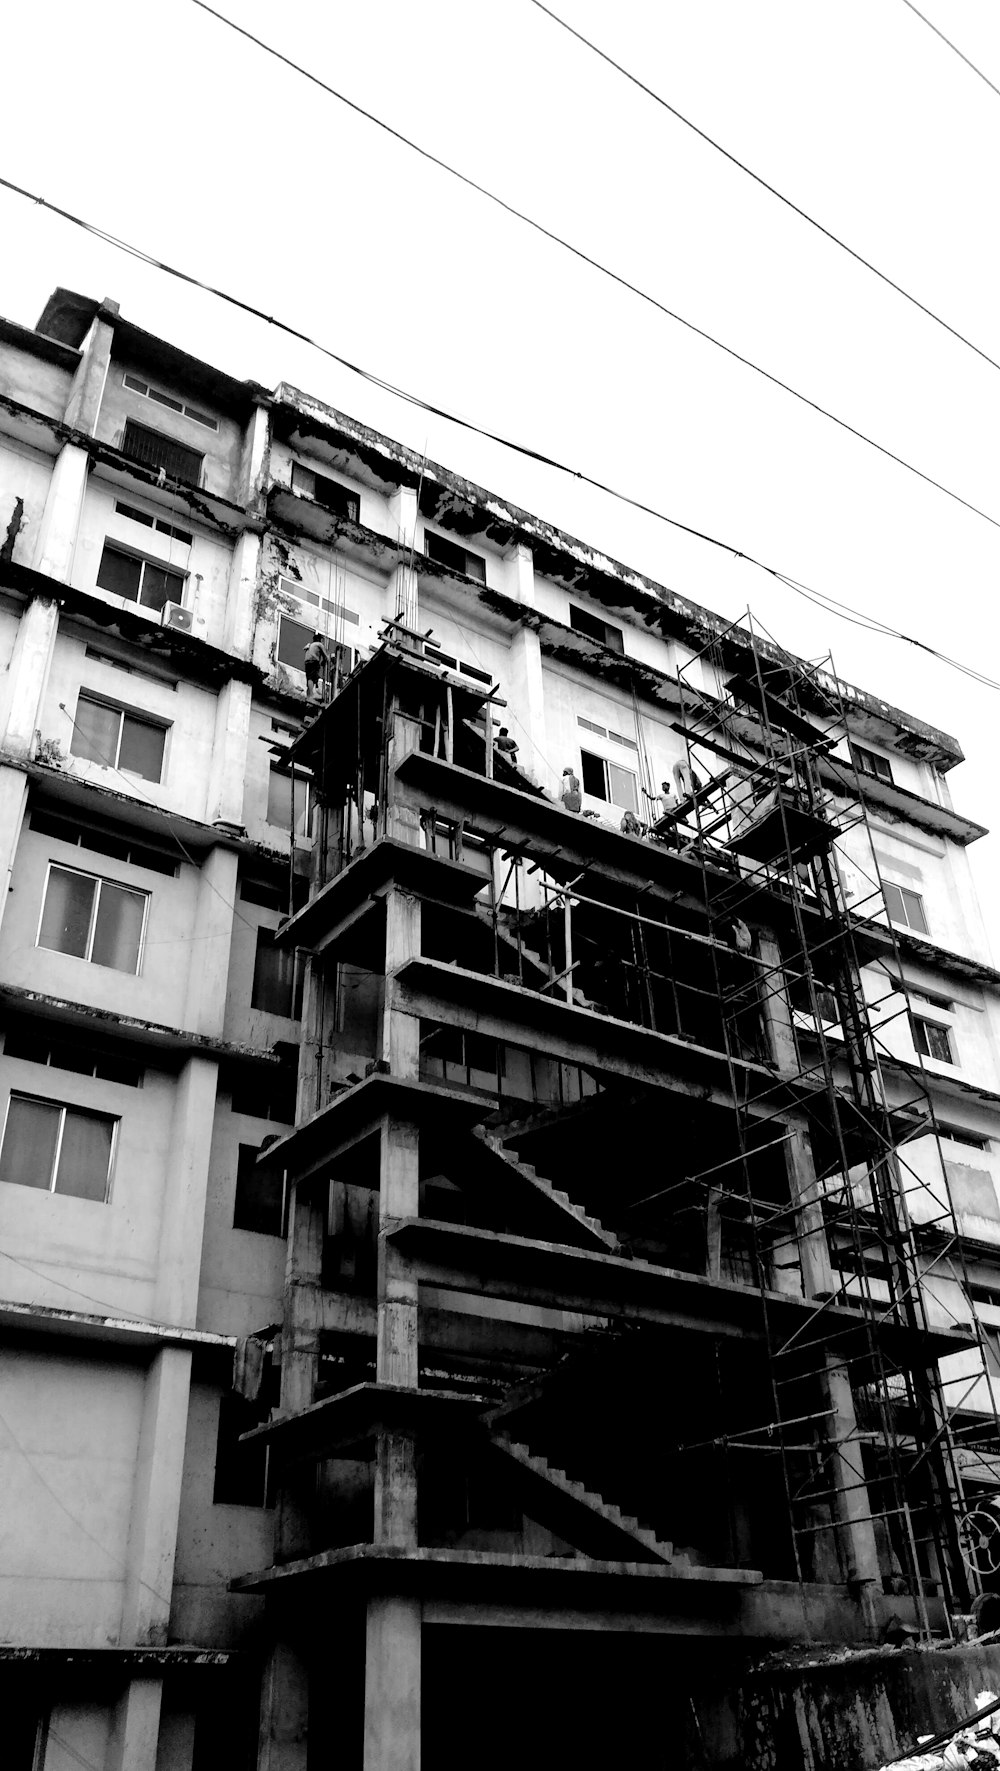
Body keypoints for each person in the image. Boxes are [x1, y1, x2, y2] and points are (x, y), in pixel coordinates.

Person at [303, 632, 331, 702]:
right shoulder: (319, 644)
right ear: (320, 640)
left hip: (307, 662)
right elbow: (325, 656)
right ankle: (312, 695)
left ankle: (309, 695)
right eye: (322, 640)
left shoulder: (311, 645)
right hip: (313, 661)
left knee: (310, 678)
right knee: (311, 678)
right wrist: (329, 661)